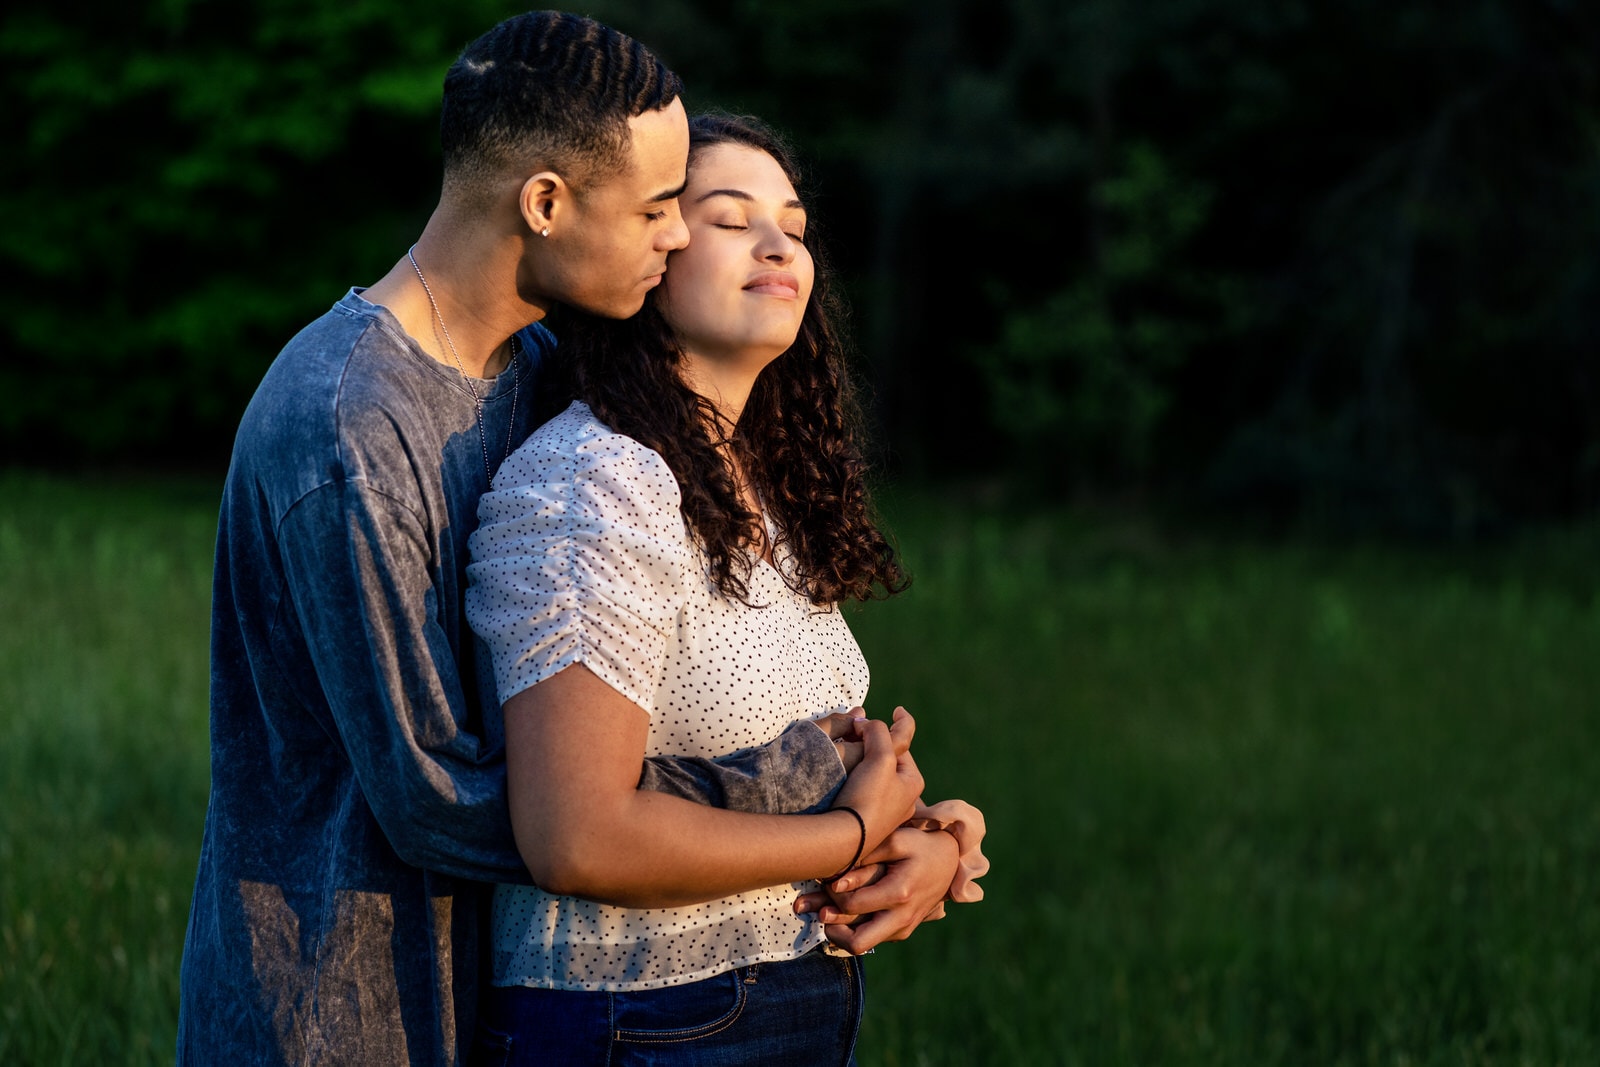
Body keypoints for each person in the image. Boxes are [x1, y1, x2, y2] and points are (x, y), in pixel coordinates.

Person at [175, 13, 945, 1066]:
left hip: (485, 978)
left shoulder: (535, 366)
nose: (675, 237)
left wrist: (912, 824)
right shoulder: (347, 424)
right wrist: (816, 792)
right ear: (544, 202)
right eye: (656, 209)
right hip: (341, 1005)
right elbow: (439, 800)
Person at [463, 110, 988, 1065]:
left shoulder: (761, 488)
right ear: (650, 250)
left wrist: (925, 841)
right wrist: (847, 832)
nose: (779, 240)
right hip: (637, 1019)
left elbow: (780, 763)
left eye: (791, 220)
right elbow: (575, 836)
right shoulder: (597, 480)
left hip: (790, 991)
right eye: (730, 215)